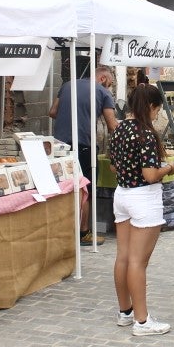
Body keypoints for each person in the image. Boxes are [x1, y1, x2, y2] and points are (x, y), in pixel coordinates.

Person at [108, 84, 174, 335]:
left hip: (122, 195)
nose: (157, 114)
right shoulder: (146, 134)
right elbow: (150, 175)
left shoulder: (118, 129)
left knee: (124, 258)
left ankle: (125, 312)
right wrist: (168, 169)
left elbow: (114, 167)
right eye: (158, 109)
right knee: (138, 262)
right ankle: (142, 320)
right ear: (151, 106)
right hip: (143, 198)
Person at [49, 63, 119, 246]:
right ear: (103, 78)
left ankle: (62, 229)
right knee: (84, 189)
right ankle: (83, 233)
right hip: (83, 145)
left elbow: (52, 112)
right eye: (110, 84)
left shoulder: (67, 85)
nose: (109, 87)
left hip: (59, 146)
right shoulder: (103, 92)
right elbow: (112, 126)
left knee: (64, 187)